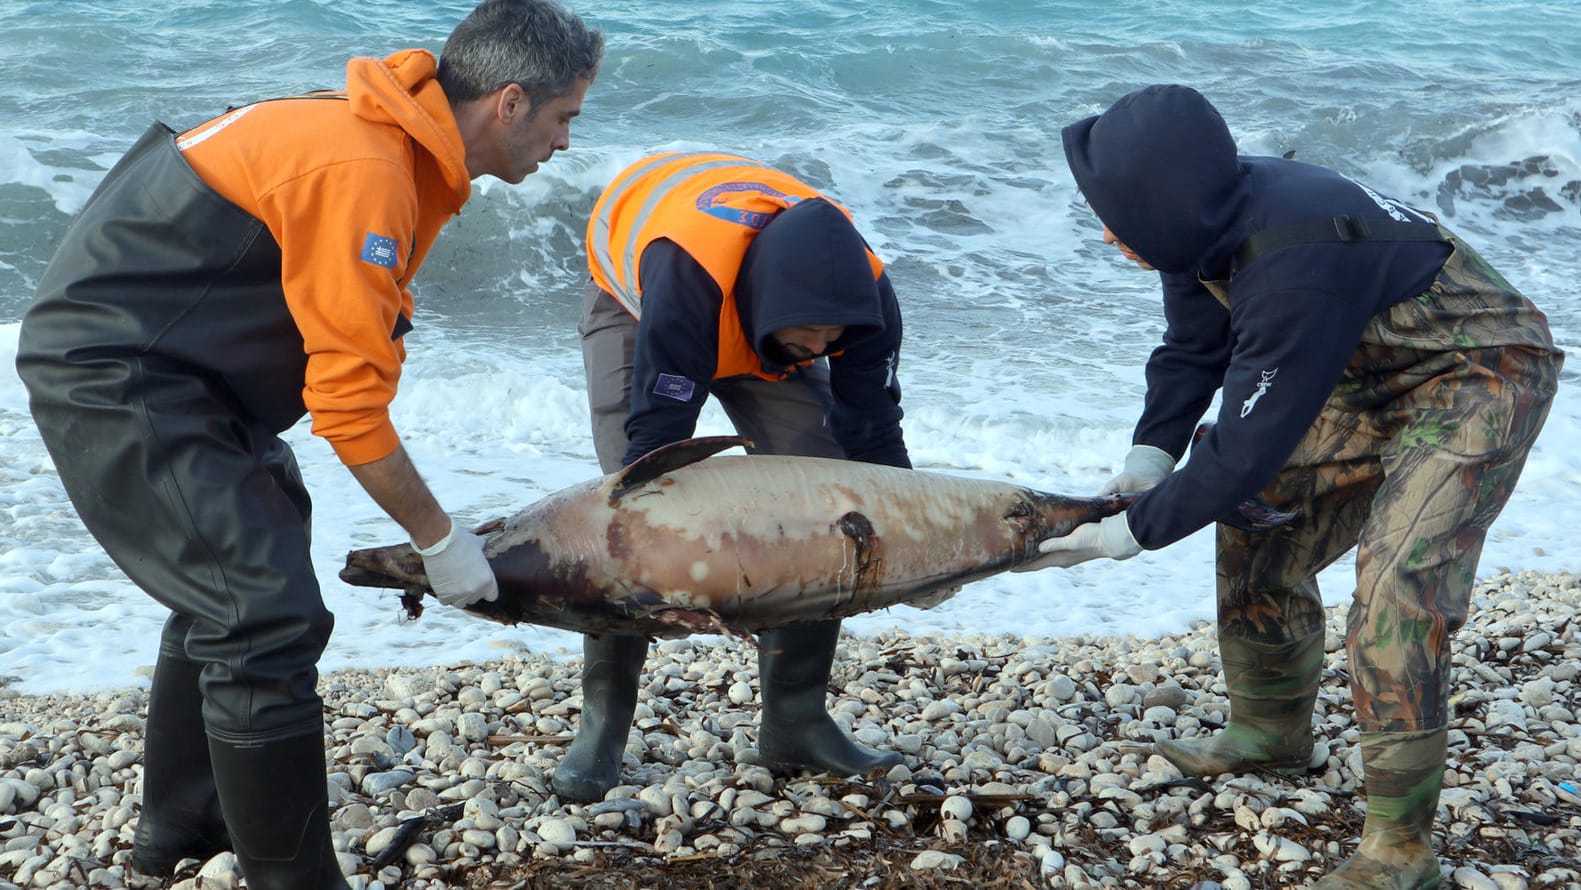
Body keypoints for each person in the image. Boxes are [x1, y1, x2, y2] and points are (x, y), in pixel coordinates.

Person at [14, 2, 602, 886]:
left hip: (193, 370)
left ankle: (179, 827)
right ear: (510, 102)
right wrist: (443, 545)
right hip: (121, 368)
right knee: (263, 614)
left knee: (245, 564)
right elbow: (349, 408)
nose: (563, 145)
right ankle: (293, 879)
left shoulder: (395, 146)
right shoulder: (366, 166)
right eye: (564, 119)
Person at [1037, 84, 1561, 889]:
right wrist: (1146, 461)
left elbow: (1244, 446)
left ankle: (1399, 849)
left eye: (1120, 217)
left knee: (1395, 590)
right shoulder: (1198, 221)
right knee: (1261, 521)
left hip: (1478, 374)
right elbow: (1189, 349)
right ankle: (1269, 733)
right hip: (1355, 370)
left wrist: (1118, 538)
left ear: (1163, 205)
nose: (1108, 234)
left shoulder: (1289, 262)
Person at [558, 150, 910, 802]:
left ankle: (794, 719)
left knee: (824, 499)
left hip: (760, 306)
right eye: (810, 335)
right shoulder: (688, 280)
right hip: (642, 303)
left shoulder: (862, 301)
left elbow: (875, 436)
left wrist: (907, 546)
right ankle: (604, 718)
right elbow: (656, 446)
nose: (821, 348)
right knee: (634, 511)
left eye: (833, 338)